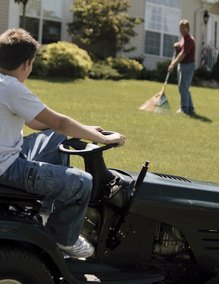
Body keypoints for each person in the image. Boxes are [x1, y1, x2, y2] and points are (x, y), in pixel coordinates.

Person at [0, 28, 126, 258]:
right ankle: (63, 239)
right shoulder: (11, 88)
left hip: (8, 155)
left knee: (56, 137)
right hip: (6, 169)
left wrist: (86, 129)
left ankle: (44, 214)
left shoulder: (3, 84)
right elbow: (60, 122)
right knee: (82, 183)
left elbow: (37, 123)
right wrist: (104, 138)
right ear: (26, 64)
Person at [168, 19, 196, 115]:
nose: (182, 30)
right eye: (180, 28)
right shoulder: (183, 39)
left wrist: (173, 64)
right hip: (182, 65)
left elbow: (182, 54)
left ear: (188, 28)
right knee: (184, 87)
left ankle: (184, 108)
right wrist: (178, 45)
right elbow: (181, 48)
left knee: (183, 87)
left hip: (188, 66)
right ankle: (191, 108)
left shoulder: (189, 40)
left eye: (184, 28)